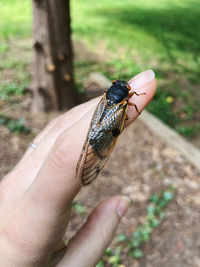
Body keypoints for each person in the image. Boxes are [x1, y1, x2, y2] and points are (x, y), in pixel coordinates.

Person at [0, 70, 156, 266]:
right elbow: (132, 104)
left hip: (104, 115)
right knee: (108, 136)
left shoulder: (110, 97)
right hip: (111, 122)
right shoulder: (126, 101)